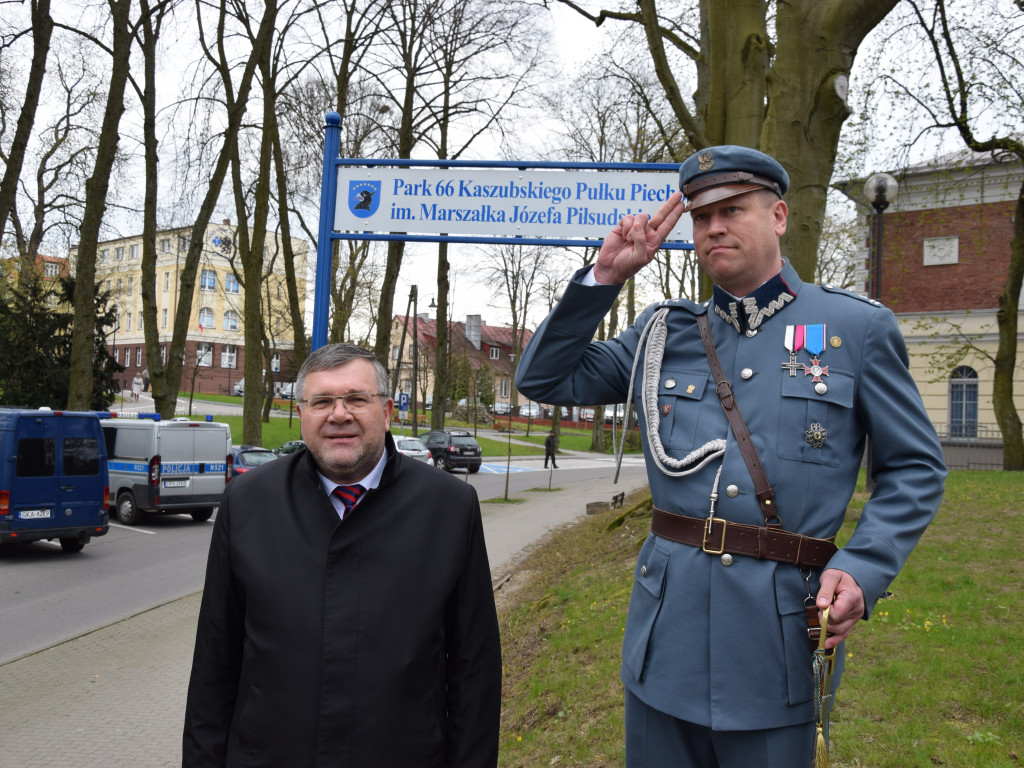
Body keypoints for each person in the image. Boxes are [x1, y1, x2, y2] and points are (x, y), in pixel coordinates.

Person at [516, 146, 946, 767]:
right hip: (665, 641)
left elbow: (914, 468)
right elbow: (544, 379)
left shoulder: (855, 329)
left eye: (733, 210)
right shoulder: (663, 333)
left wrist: (864, 568)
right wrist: (605, 277)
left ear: (778, 216)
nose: (714, 227)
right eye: (701, 216)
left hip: (777, 643)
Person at [183, 343, 502, 767]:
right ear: (301, 414)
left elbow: (474, 668)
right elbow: (214, 662)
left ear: (386, 412)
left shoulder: (449, 507)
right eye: (322, 402)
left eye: (356, 399)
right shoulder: (247, 502)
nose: (339, 415)